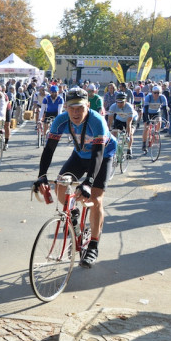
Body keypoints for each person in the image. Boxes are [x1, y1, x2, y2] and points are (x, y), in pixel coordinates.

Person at [33, 88, 116, 268]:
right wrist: (42, 175)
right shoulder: (61, 120)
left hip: (103, 156)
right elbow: (49, 149)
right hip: (79, 156)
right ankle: (75, 216)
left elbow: (98, 154)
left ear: (88, 105)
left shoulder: (97, 121)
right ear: (66, 108)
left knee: (95, 198)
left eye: (80, 108)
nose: (76, 112)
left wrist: (89, 182)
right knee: (61, 186)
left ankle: (93, 245)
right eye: (71, 108)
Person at [107, 92, 137, 157]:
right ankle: (115, 149)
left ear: (125, 101)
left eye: (122, 102)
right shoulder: (113, 106)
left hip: (131, 120)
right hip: (120, 119)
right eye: (118, 102)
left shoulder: (129, 107)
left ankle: (129, 149)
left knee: (130, 132)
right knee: (114, 133)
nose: (119, 104)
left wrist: (128, 135)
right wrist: (108, 131)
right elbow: (110, 121)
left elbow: (129, 123)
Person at [141, 85, 168, 154]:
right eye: (155, 93)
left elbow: (165, 110)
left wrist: (167, 120)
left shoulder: (162, 97)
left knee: (159, 121)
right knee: (146, 128)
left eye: (158, 93)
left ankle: (156, 133)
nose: (156, 94)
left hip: (156, 112)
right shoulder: (148, 97)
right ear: (152, 92)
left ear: (160, 93)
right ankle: (144, 144)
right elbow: (146, 109)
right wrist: (147, 120)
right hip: (147, 113)